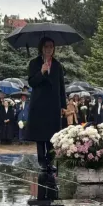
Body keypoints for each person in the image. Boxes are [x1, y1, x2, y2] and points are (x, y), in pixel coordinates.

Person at [26, 37, 67, 172]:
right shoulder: (34, 63)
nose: (49, 49)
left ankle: (50, 161)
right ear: (41, 48)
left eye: (51, 46)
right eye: (46, 46)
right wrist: (41, 72)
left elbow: (61, 86)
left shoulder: (57, 65)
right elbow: (31, 82)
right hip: (39, 104)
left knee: (52, 134)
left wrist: (63, 105)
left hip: (53, 104)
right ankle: (42, 161)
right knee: (40, 134)